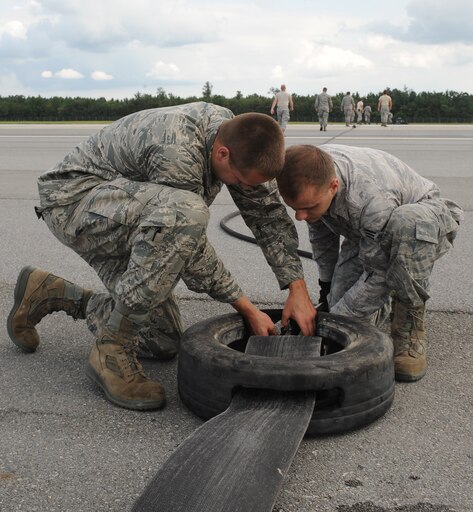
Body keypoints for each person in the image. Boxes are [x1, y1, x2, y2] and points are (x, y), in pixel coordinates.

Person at [7, 102, 316, 410]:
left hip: (126, 210)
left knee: (163, 339)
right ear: (222, 154)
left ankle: (52, 293)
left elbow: (267, 214)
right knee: (187, 215)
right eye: (238, 181)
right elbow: (186, 244)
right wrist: (246, 306)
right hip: (72, 201)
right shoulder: (177, 150)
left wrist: (297, 289)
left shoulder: (241, 138)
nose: (240, 188)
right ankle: (111, 350)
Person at [276, 144, 463, 383]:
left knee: (405, 229)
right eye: (295, 208)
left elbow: (379, 273)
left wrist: (339, 318)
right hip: (366, 232)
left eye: (308, 208)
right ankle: (375, 306)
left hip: (422, 221)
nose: (299, 216)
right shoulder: (308, 170)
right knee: (340, 304)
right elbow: (322, 238)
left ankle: (409, 322)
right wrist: (327, 286)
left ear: (333, 187)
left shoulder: (370, 199)